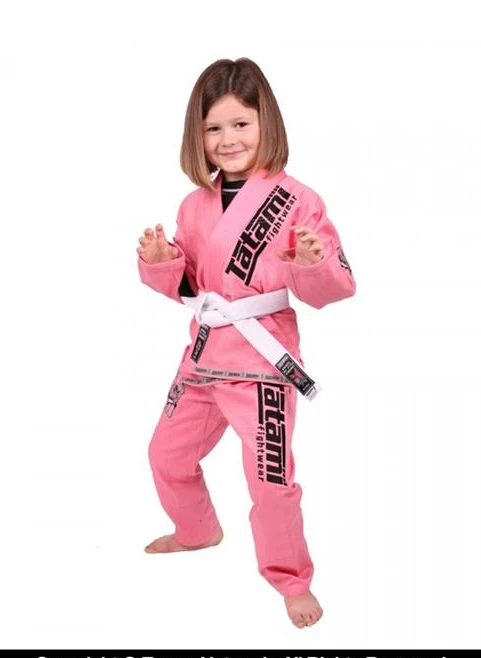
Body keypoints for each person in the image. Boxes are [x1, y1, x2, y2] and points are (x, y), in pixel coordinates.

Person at [135, 58, 356, 628]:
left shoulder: (298, 200)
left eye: (240, 124)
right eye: (213, 128)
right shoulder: (195, 204)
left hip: (261, 365)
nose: (227, 139)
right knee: (166, 454)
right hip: (203, 359)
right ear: (197, 135)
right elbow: (192, 285)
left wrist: (312, 261)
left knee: (271, 482)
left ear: (266, 124)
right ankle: (197, 530)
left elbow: (334, 286)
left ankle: (291, 579)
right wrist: (162, 262)